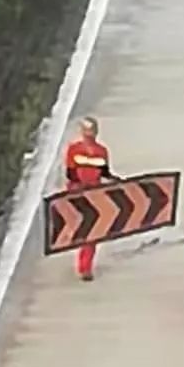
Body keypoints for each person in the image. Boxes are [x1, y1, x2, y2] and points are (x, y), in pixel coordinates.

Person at [64, 116, 114, 283]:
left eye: (92, 130)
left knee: (93, 232)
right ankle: (82, 259)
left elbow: (104, 173)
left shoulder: (102, 151)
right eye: (86, 130)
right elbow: (71, 173)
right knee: (81, 228)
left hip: (95, 193)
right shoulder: (74, 149)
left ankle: (85, 267)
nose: (89, 134)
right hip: (78, 192)